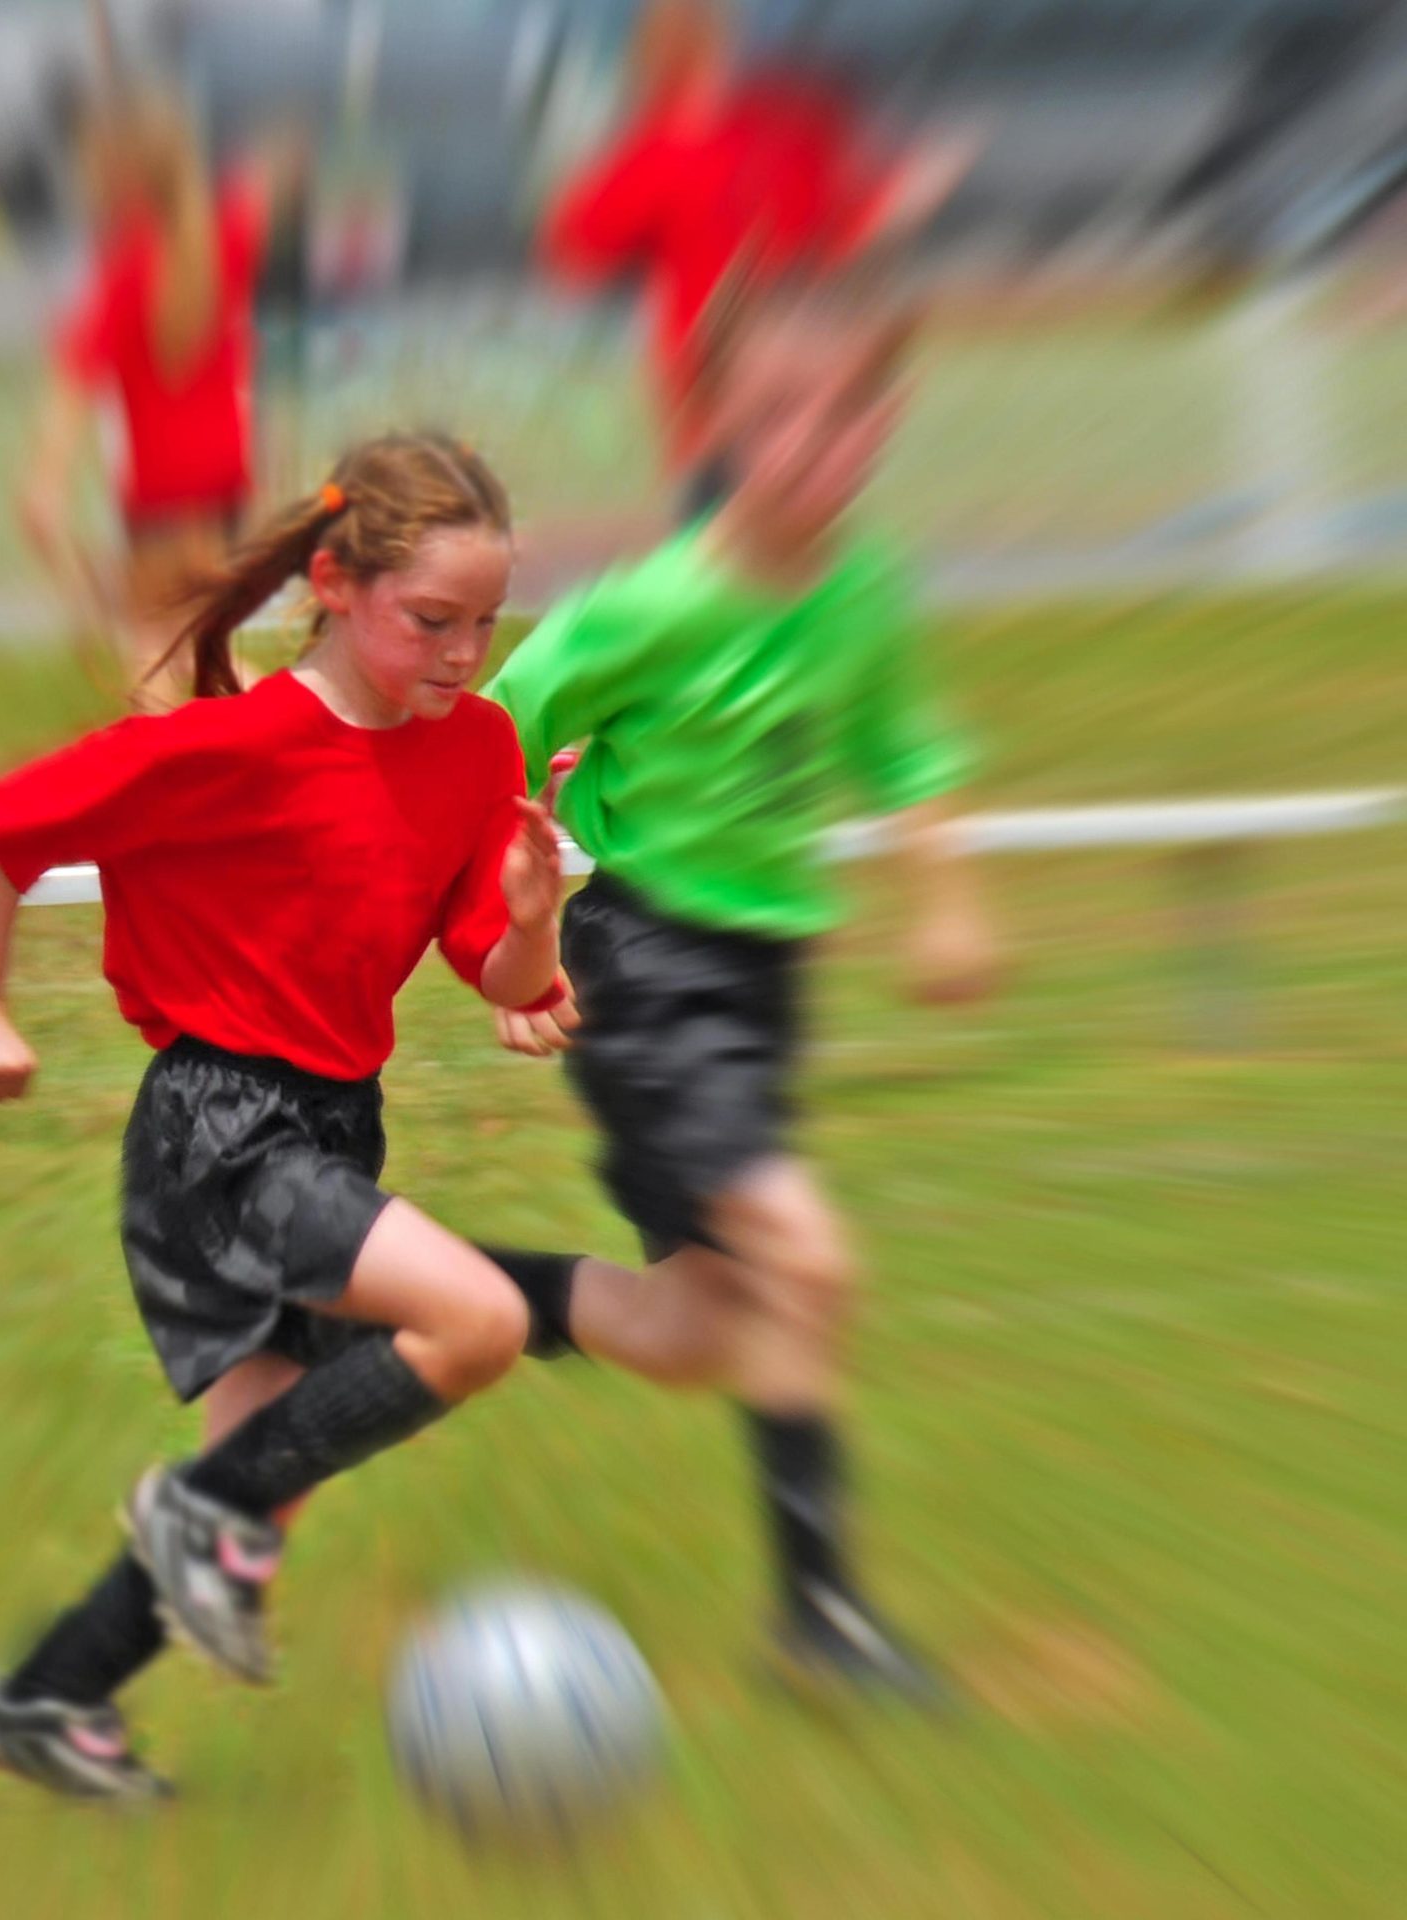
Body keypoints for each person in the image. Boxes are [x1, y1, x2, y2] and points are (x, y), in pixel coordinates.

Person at [0, 433, 593, 1799]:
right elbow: (3, 825)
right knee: (472, 1319)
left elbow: (495, 971)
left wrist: (537, 926)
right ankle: (197, 1519)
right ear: (334, 586)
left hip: (333, 1126)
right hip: (217, 1129)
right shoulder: (231, 743)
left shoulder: (479, 748)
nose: (466, 653)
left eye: (486, 622)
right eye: (432, 621)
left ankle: (48, 1698)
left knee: (265, 1486)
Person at [483, 274, 997, 1701]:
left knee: (705, 1329)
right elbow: (482, 749)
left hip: (764, 989)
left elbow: (910, 760)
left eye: (841, 415)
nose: (810, 445)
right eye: (775, 415)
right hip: (648, 965)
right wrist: (506, 939)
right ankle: (819, 1626)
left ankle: (389, 1293)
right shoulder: (645, 608)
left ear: (882, 426)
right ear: (714, 423)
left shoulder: (865, 595)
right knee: (809, 1264)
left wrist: (949, 907)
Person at [541, 0, 961, 521]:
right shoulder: (691, 145)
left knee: (753, 537)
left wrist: (896, 204)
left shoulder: (771, 133)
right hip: (740, 383)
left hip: (764, 377)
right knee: (750, 535)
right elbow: (577, 253)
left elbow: (573, 254)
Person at [19, 91, 271, 713]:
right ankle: (289, 744)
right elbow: (258, 185)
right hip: (227, 483)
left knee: (154, 647)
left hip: (159, 492)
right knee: (203, 646)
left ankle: (175, 785)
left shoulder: (120, 275)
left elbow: (73, 388)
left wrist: (42, 485)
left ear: (114, 176)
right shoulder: (228, 236)